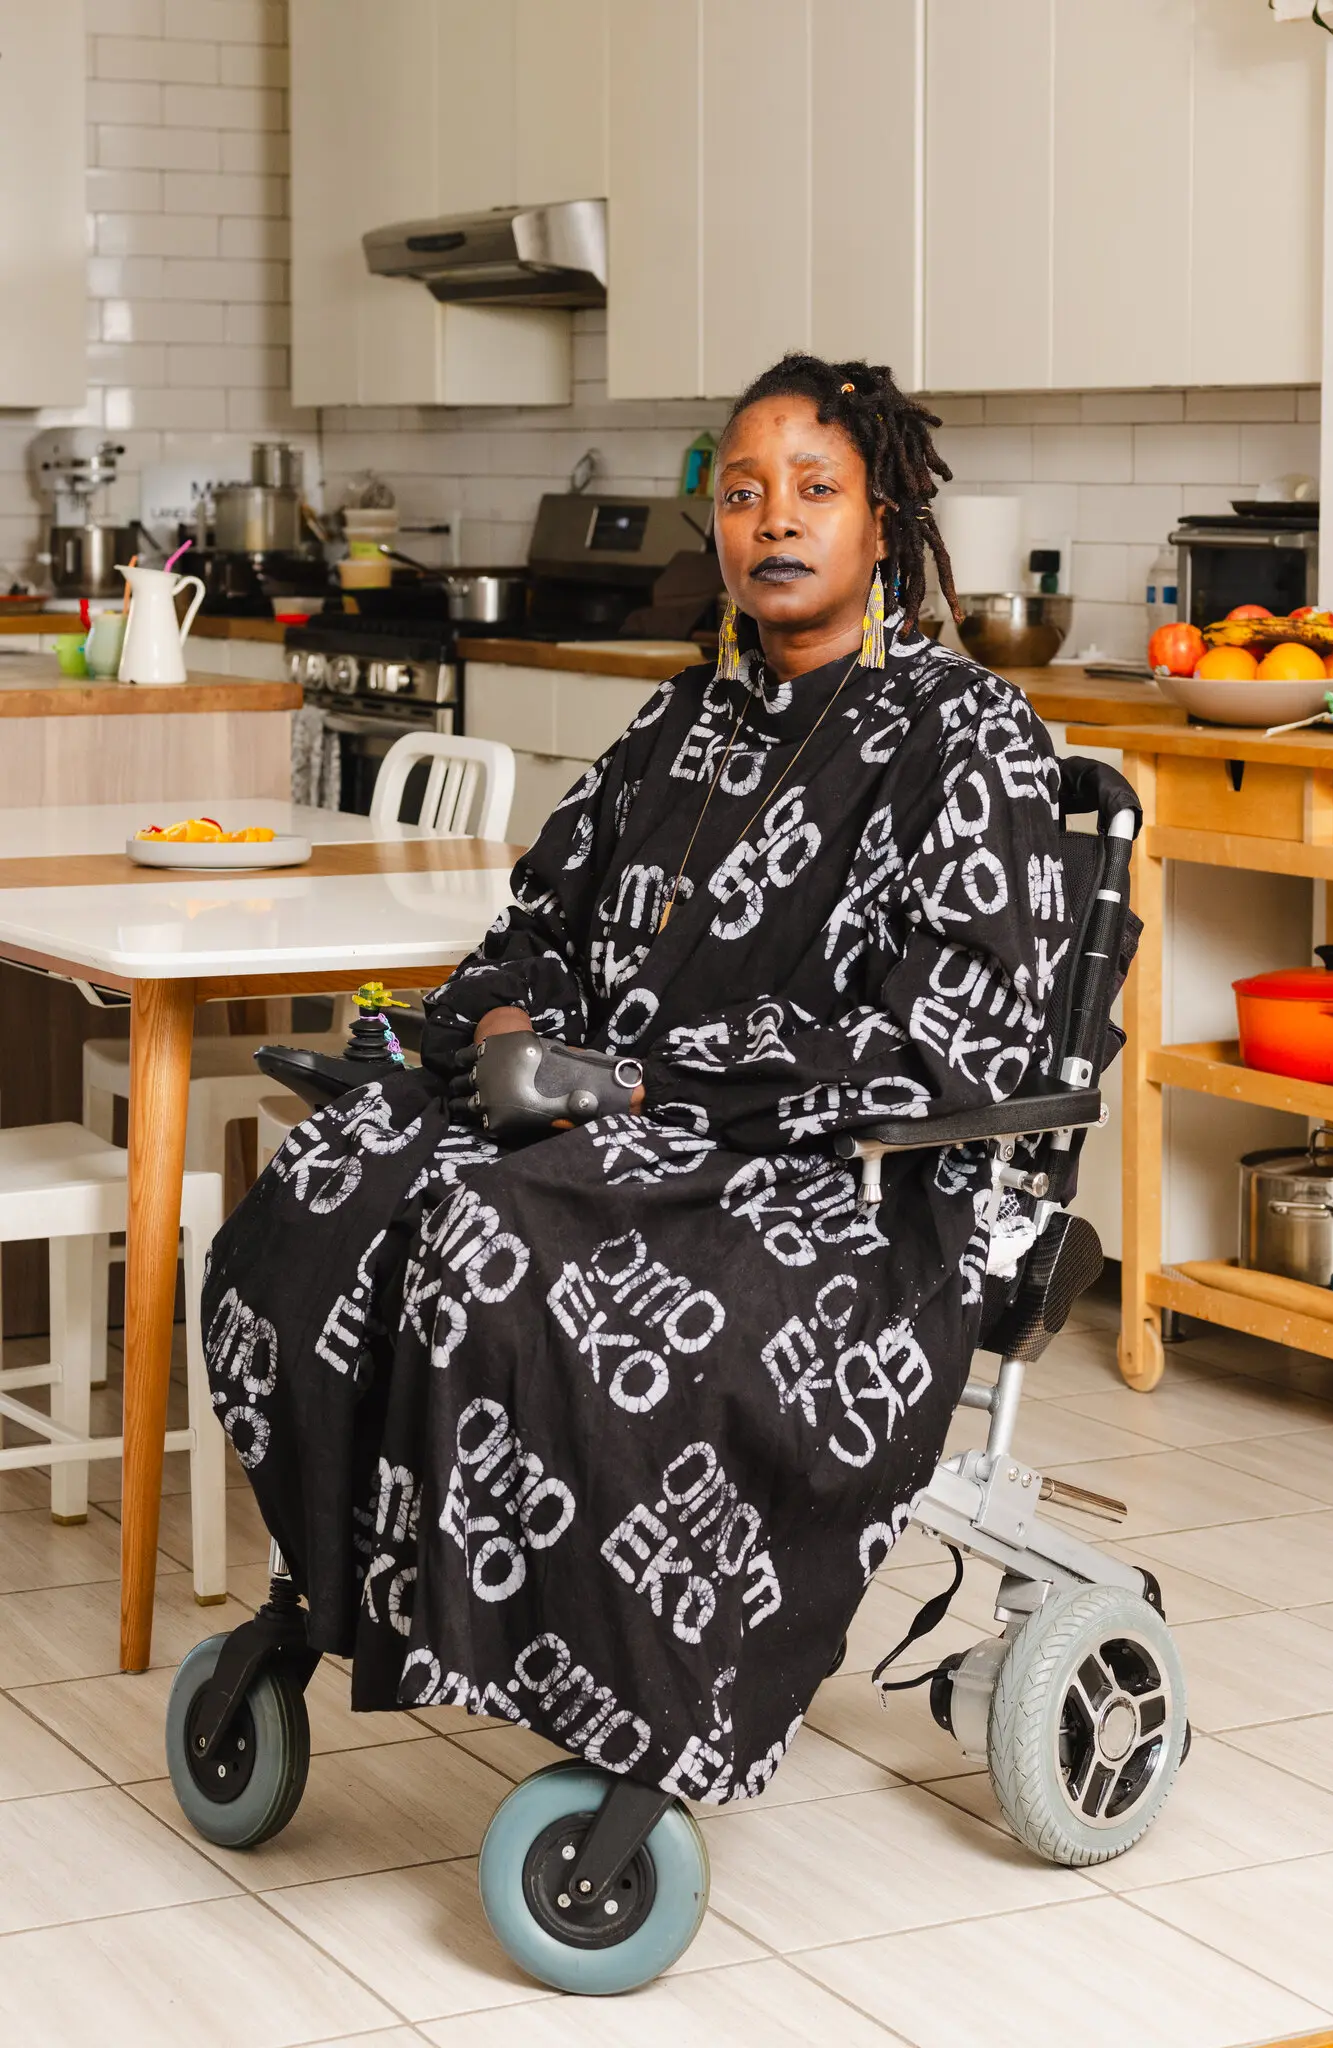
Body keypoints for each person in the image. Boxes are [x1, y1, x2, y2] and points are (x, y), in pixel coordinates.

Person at [203, 353, 1073, 1805]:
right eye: (742, 494)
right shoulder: (677, 725)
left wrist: (640, 1083)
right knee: (327, 1189)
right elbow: (529, 936)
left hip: (832, 1193)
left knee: (491, 1242)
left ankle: (630, 1701)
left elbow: (954, 1040)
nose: (773, 520)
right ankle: (366, 1603)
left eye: (813, 489)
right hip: (592, 1125)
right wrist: (497, 1035)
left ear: (880, 524)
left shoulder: (962, 739)